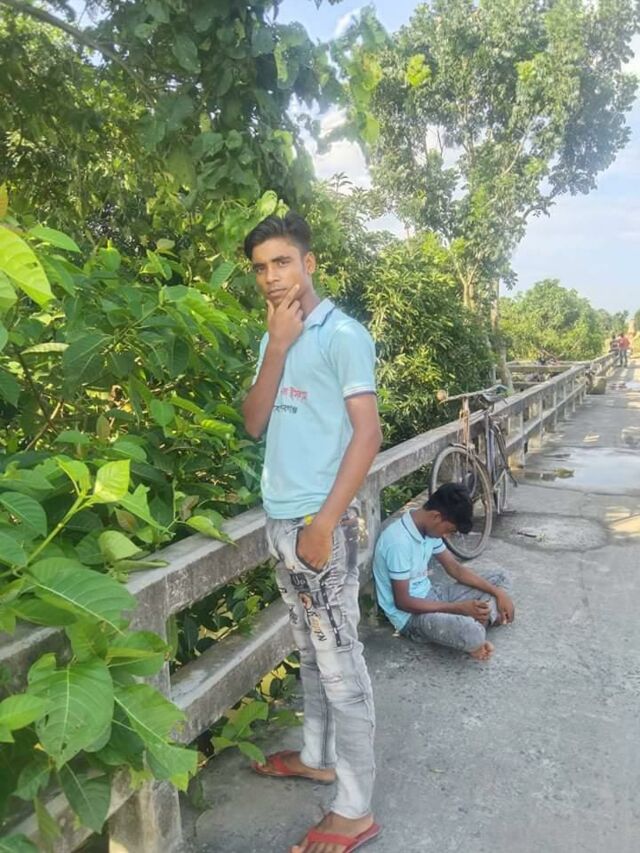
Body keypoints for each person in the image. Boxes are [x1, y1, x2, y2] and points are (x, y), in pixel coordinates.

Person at [242, 212, 382, 853]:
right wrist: (276, 346)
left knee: (340, 664)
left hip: (321, 524)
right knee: (309, 649)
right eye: (261, 268)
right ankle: (318, 757)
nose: (272, 277)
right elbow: (254, 422)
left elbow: (368, 434)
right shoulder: (276, 334)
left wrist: (324, 524)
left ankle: (354, 809)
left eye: (283, 262)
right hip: (282, 520)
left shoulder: (343, 335)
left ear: (309, 263)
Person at [373, 483, 514, 660]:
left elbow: (455, 568)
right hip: (412, 618)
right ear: (436, 516)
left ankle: (481, 619)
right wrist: (458, 608)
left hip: (434, 595)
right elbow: (403, 602)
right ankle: (484, 621)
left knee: (501, 578)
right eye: (449, 530)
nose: (447, 536)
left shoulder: (428, 529)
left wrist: (499, 593)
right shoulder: (398, 542)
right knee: (473, 633)